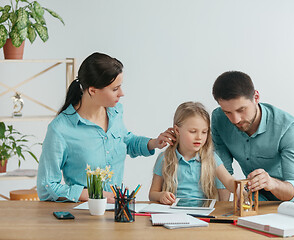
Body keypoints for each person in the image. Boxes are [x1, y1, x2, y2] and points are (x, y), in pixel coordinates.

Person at [37, 52, 175, 203]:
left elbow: (125, 140)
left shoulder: (115, 112)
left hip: (116, 210)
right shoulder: (60, 129)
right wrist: (94, 194)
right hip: (83, 215)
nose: (121, 93)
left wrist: (154, 142)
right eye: (115, 89)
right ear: (93, 90)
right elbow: (47, 187)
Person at [211, 71, 294, 202]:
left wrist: (271, 183)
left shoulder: (288, 127)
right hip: (257, 193)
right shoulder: (219, 119)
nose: (235, 119)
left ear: (256, 97)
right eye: (227, 112)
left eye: (241, 110)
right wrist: (223, 209)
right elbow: (223, 170)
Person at [149, 101, 236, 205]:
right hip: (173, 215)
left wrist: (241, 191)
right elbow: (152, 194)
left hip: (203, 215)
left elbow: (229, 181)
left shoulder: (211, 158)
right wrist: (161, 195)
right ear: (177, 130)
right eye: (193, 131)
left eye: (204, 132)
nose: (199, 137)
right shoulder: (164, 158)